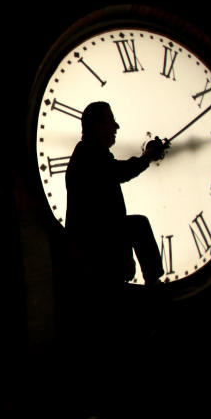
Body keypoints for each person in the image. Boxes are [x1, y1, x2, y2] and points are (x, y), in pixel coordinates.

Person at [64, 101, 167, 288]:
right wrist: (147, 158)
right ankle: (154, 283)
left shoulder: (88, 154)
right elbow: (120, 173)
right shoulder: (91, 155)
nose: (116, 126)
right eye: (111, 121)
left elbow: (109, 217)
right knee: (139, 225)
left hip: (90, 249)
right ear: (97, 126)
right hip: (94, 250)